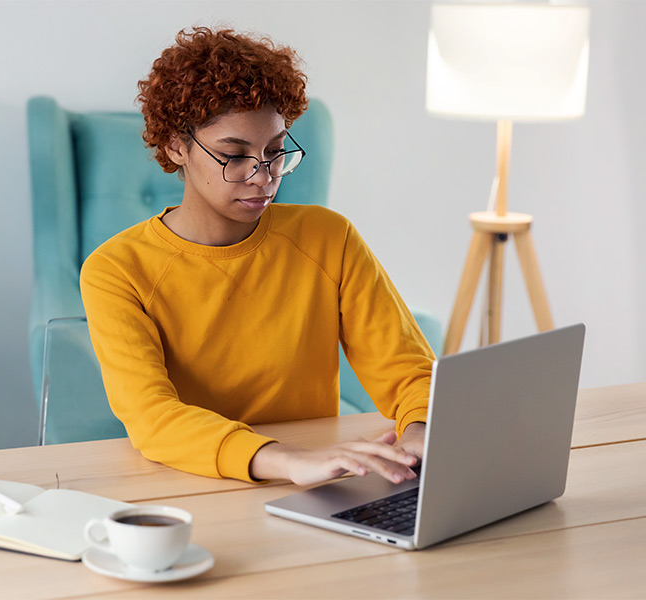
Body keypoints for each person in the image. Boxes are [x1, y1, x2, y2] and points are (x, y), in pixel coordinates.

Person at [80, 27, 435, 487]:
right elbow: (153, 417)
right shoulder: (116, 271)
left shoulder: (329, 237)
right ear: (175, 146)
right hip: (194, 482)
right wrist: (289, 461)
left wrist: (420, 434)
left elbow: (409, 371)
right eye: (234, 155)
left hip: (323, 481)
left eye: (275, 152)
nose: (262, 177)